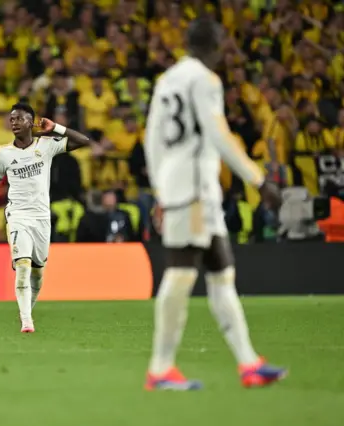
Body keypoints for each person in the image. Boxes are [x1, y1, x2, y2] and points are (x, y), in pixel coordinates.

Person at [143, 19, 285, 390]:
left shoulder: (166, 81)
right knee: (181, 275)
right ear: (216, 46)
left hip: (187, 189)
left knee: (222, 274)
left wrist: (161, 188)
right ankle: (160, 369)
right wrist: (259, 180)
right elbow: (218, 134)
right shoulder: (206, 80)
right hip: (193, 192)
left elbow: (152, 140)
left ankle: (249, 364)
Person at [0, 103, 91, 333]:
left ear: (31, 121)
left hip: (41, 218)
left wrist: (56, 127)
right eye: (12, 119)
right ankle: (27, 321)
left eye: (19, 119)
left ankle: (26, 309)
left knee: (38, 271)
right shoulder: (4, 153)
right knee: (23, 266)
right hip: (17, 215)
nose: (14, 123)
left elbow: (83, 141)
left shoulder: (46, 145)